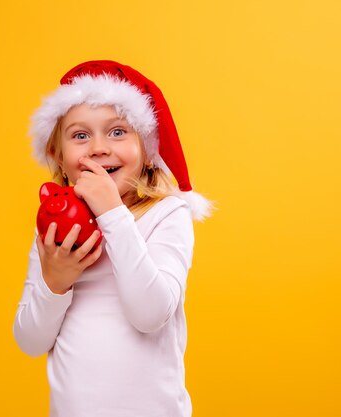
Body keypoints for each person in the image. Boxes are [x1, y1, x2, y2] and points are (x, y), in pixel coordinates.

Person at [13, 60, 214, 417]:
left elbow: (150, 314)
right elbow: (29, 340)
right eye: (80, 135)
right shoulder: (56, 232)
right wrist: (55, 282)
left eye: (118, 132)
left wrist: (111, 214)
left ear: (148, 149)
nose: (98, 148)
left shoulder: (166, 215)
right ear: (59, 157)